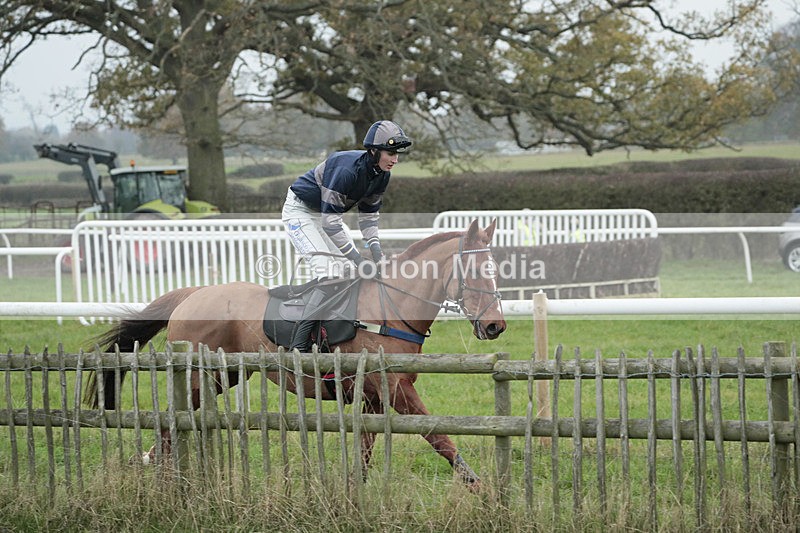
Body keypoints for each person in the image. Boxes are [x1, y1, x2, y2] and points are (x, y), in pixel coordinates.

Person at [281, 119, 412, 351]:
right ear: (373, 151)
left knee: (345, 272)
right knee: (329, 274)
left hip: (327, 215)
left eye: (397, 154)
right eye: (390, 153)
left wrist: (377, 253)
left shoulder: (381, 174)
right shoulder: (346, 169)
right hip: (301, 212)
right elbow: (330, 223)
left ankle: (331, 331)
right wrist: (360, 260)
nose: (395, 159)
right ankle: (298, 343)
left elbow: (369, 219)